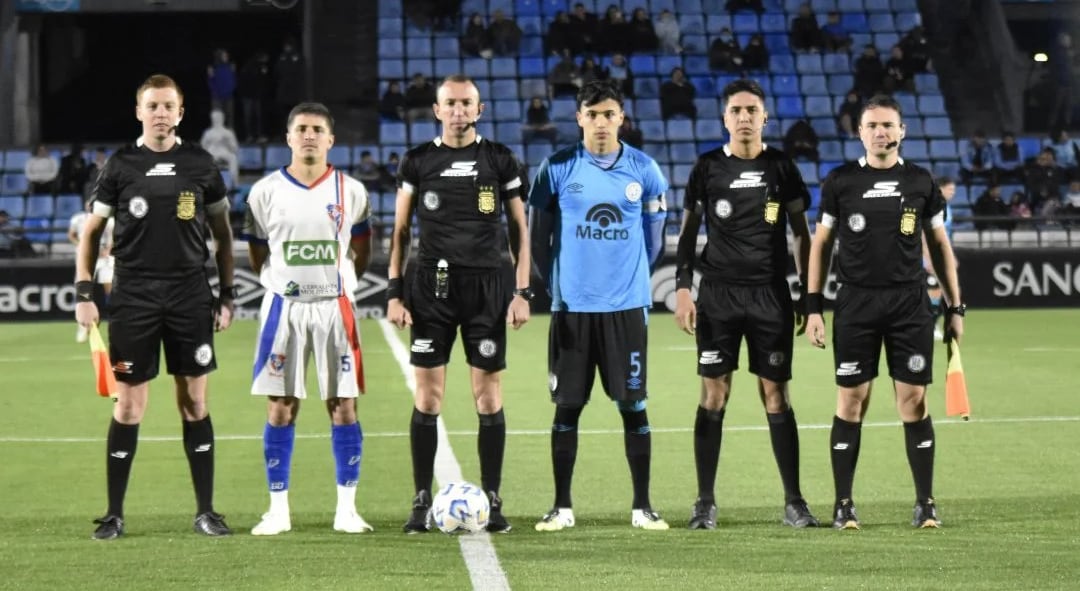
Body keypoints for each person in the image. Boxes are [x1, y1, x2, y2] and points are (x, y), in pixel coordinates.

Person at [74, 74, 236, 540]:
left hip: (189, 295)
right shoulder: (120, 166)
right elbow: (90, 235)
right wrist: (86, 295)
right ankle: (114, 514)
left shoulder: (201, 164)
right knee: (129, 407)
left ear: (180, 113)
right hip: (135, 297)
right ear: (138, 111)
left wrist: (227, 295)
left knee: (194, 403)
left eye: (169, 106)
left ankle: (206, 511)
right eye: (153, 106)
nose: (161, 113)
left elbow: (223, 236)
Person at [804, 94, 964, 531]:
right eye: (872, 125)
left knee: (913, 400)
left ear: (902, 131)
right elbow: (819, 245)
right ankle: (843, 505)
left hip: (910, 304)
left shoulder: (921, 181)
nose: (881, 132)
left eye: (888, 125)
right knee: (851, 401)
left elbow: (940, 247)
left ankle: (925, 503)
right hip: (855, 303)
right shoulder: (839, 182)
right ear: (860, 132)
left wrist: (955, 306)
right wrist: (813, 306)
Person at [386, 74, 531, 534]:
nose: (458, 111)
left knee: (487, 398)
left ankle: (492, 497)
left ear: (480, 109)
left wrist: (521, 292)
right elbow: (401, 232)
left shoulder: (500, 159)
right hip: (432, 287)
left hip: (487, 288)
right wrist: (394, 292)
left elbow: (520, 232)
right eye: (449, 103)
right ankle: (420, 500)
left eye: (466, 103)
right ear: (436, 109)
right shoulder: (417, 161)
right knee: (428, 397)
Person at [673, 79, 817, 530]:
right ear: (725, 118)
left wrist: (808, 297)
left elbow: (802, 235)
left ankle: (794, 502)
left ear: (765, 117)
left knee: (776, 394)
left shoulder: (782, 168)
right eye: (736, 110)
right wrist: (682, 287)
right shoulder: (707, 168)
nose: (744, 118)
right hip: (718, 294)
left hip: (770, 295)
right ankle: (704, 502)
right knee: (714, 393)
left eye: (752, 110)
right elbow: (687, 234)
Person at [529, 79, 670, 532]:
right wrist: (560, 286)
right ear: (579, 119)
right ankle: (562, 507)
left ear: (621, 118)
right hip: (572, 307)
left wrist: (625, 280)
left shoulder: (645, 170)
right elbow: (537, 240)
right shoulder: (555, 168)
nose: (601, 122)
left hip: (626, 309)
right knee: (567, 406)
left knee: (633, 405)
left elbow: (654, 241)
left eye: (609, 114)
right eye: (592, 115)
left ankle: (643, 506)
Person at [242, 102, 374, 536]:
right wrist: (277, 278)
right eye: (301, 129)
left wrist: (345, 277)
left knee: (343, 405)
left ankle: (347, 509)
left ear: (330, 139)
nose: (309, 136)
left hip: (334, 306)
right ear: (289, 137)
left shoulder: (351, 190)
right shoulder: (264, 192)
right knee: (281, 408)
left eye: (318, 129)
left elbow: (363, 243)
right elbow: (257, 247)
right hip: (284, 308)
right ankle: (277, 510)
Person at [69, 199, 115, 343]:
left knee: (111, 289)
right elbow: (71, 235)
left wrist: (108, 249)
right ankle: (83, 325)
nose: (90, 205)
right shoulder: (78, 219)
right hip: (86, 257)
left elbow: (112, 238)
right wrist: (81, 246)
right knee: (84, 288)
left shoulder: (109, 220)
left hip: (104, 259)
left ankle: (114, 320)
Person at [200, 109, 240, 188]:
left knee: (233, 158)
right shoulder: (208, 133)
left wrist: (228, 141)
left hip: (224, 153)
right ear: (212, 119)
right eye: (215, 118)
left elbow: (235, 148)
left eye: (219, 118)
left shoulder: (228, 132)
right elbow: (202, 147)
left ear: (222, 119)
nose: (217, 120)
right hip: (211, 153)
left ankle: (234, 183)